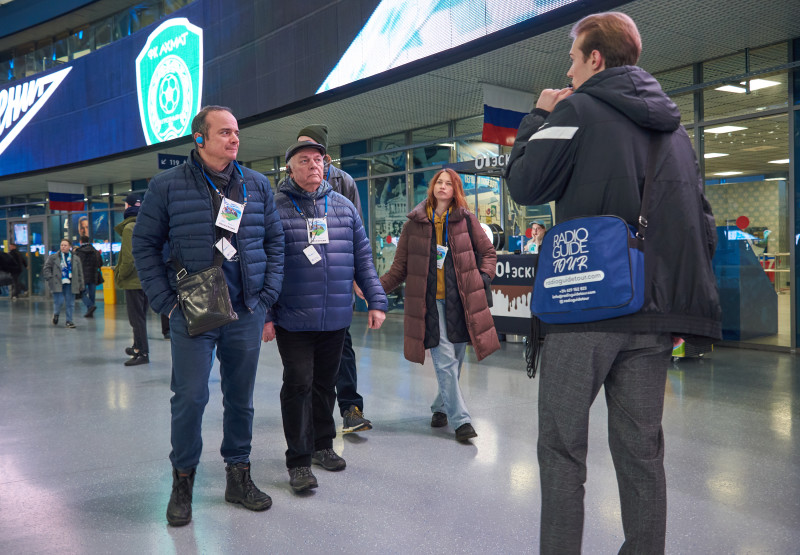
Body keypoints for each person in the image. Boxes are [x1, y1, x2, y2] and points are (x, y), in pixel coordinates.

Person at [503, 12, 722, 554]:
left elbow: (526, 183)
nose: (569, 72)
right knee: (642, 453)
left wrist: (537, 114)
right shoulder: (675, 129)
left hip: (585, 309)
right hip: (651, 317)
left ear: (594, 58)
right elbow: (702, 221)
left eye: (573, 60)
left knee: (561, 450)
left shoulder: (575, 109)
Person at [132, 106, 284, 526]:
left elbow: (275, 242)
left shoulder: (255, 185)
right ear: (199, 139)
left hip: (246, 310)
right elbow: (144, 247)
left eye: (237, 132)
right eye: (224, 133)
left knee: (241, 399)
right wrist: (165, 301)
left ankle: (239, 476)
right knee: (190, 397)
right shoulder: (166, 186)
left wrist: (267, 295)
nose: (235, 139)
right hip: (193, 313)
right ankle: (183, 481)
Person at [263, 140, 386, 493]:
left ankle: (322, 445)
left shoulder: (344, 208)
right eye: (305, 161)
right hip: (293, 317)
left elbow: (362, 259)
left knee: (325, 385)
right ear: (290, 168)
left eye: (319, 160)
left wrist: (376, 300)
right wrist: (266, 316)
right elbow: (265, 266)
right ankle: (299, 461)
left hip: (335, 316)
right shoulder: (276, 208)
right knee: (299, 383)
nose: (314, 166)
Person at [379, 168, 499, 442]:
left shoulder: (467, 220)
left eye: (448, 183)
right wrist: (375, 289)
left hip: (462, 301)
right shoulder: (415, 224)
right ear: (432, 187)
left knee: (455, 359)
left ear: (455, 189)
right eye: (439, 183)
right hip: (430, 303)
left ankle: (439, 407)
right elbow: (399, 268)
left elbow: (488, 253)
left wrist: (482, 278)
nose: (442, 187)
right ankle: (461, 421)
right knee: (444, 358)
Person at [294, 124, 371, 434]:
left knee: (343, 345)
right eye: (300, 149)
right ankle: (312, 413)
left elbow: (357, 233)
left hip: (336, 277)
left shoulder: (344, 182)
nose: (306, 156)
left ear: (325, 154)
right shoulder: (290, 183)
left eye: (312, 149)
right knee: (305, 352)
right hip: (303, 282)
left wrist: (357, 276)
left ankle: (351, 409)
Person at [114, 194, 150, 367]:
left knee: (136, 319)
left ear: (128, 207)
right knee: (140, 317)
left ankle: (143, 353)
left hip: (133, 280)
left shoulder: (129, 228)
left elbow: (129, 259)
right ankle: (137, 347)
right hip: (145, 279)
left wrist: (120, 275)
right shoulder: (145, 226)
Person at [43, 239, 84, 328]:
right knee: (59, 301)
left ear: (69, 247)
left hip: (71, 283)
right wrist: (50, 278)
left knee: (70, 303)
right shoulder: (53, 257)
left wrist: (81, 284)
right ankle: (56, 314)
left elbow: (80, 272)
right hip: (57, 282)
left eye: (65, 245)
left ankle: (69, 321)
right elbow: (46, 268)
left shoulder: (76, 259)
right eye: (62, 245)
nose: (63, 247)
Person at [74, 235, 103, 317]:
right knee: (92, 293)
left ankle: (90, 306)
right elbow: (100, 263)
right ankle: (90, 311)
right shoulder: (95, 251)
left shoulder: (78, 252)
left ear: (80, 242)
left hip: (82, 276)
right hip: (93, 275)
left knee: (81, 293)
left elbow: (76, 264)